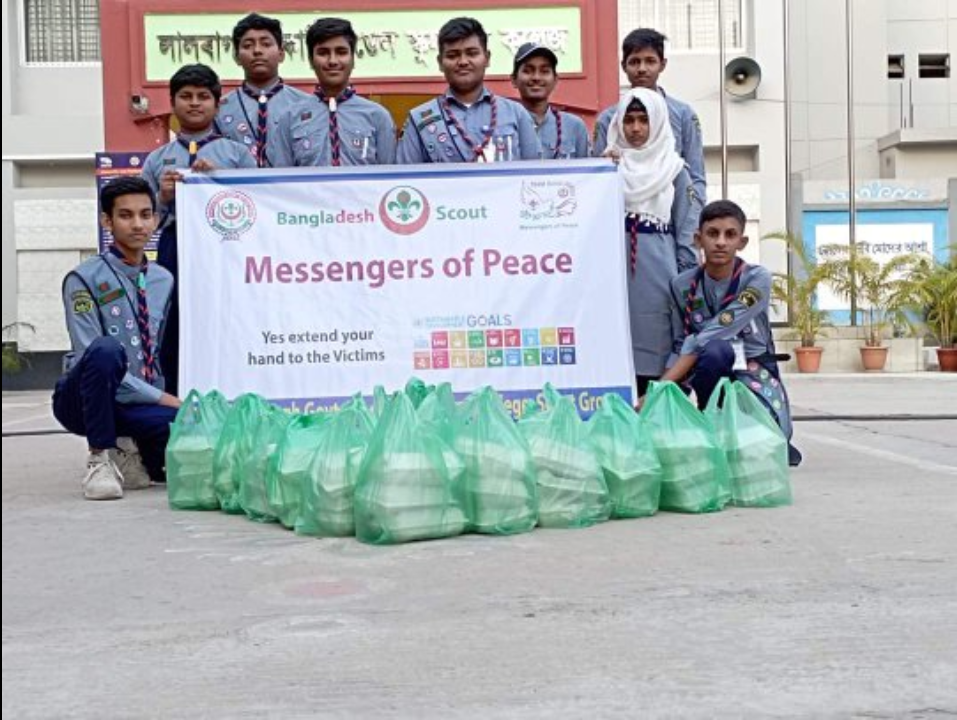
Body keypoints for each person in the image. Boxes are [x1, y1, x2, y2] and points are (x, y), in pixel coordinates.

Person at [53, 177, 182, 500]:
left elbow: (158, 351)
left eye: (145, 215)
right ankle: (100, 458)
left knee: (188, 419)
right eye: (126, 215)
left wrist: (175, 402)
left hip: (134, 403)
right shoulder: (84, 278)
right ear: (107, 221)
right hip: (83, 400)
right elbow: (89, 356)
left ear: (156, 219)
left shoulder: (163, 279)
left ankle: (127, 445)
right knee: (105, 350)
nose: (138, 224)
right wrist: (163, 398)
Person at [141, 63, 257, 395]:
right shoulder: (156, 160)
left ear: (217, 105)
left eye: (203, 96)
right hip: (175, 246)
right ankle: (175, 397)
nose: (194, 103)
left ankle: (235, 392)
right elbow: (142, 221)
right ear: (172, 103)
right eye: (186, 96)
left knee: (229, 318)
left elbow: (257, 207)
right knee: (173, 321)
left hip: (227, 249)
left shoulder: (237, 155)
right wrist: (163, 199)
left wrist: (220, 185)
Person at [662, 199, 802, 466]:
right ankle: (711, 420)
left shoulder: (756, 279)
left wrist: (663, 383)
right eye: (712, 233)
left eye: (730, 234)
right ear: (698, 239)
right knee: (715, 353)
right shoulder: (682, 285)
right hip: (704, 369)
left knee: (774, 443)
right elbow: (681, 339)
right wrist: (663, 391)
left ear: (742, 242)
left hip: (752, 367)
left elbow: (719, 328)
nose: (721, 242)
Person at [605, 88, 699, 396]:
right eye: (628, 120)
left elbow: (686, 230)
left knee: (656, 339)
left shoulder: (675, 171)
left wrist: (686, 282)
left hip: (659, 269)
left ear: (657, 122)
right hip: (613, 270)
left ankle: (657, 404)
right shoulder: (606, 167)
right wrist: (601, 171)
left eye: (644, 120)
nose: (635, 128)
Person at [397, 17, 540, 163]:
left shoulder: (516, 114)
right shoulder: (419, 120)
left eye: (472, 53)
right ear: (440, 63)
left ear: (487, 58)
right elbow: (406, 175)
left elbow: (535, 172)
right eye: (452, 56)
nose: (463, 62)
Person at [593, 28, 706, 203]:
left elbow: (696, 178)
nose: (642, 69)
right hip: (622, 211)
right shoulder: (607, 119)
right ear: (623, 66)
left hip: (670, 214)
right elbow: (599, 178)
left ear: (663, 64)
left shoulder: (684, 115)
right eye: (634, 62)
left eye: (650, 61)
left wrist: (692, 217)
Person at [278, 18, 396, 166]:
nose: (332, 61)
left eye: (341, 52)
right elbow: (281, 177)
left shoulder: (378, 116)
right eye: (323, 53)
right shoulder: (290, 118)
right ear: (311, 60)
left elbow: (389, 175)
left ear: (353, 58)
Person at [216, 13, 312, 168]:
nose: (257, 51)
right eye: (248, 45)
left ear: (281, 54)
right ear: (237, 57)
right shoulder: (219, 109)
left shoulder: (306, 105)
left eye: (266, 44)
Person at [510, 42, 590, 159]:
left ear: (555, 80)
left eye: (544, 71)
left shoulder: (575, 126)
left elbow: (586, 169)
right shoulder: (503, 125)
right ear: (514, 80)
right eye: (528, 71)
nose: (536, 77)